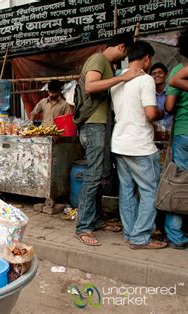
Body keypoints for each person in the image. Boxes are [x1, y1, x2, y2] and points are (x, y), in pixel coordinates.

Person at [74, 33, 145, 246]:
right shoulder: (98, 60)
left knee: (98, 174)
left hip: (100, 126)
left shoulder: (105, 63)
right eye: (126, 54)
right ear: (122, 47)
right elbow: (90, 86)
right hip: (94, 125)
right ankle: (83, 226)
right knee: (94, 175)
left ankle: (95, 220)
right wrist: (123, 77)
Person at [110, 41, 167, 250]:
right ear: (147, 59)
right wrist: (162, 112)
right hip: (139, 145)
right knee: (150, 191)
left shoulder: (117, 79)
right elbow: (151, 113)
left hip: (120, 143)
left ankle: (130, 232)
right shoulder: (145, 80)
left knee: (126, 191)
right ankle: (141, 236)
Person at [164, 29, 188, 250]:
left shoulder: (179, 70)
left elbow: (169, 106)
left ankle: (175, 236)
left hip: (183, 132)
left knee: (179, 183)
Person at [150, 62, 173, 137]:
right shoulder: (147, 94)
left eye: (160, 73)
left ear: (166, 75)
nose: (157, 75)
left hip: (171, 134)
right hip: (153, 135)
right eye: (153, 73)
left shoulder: (172, 93)